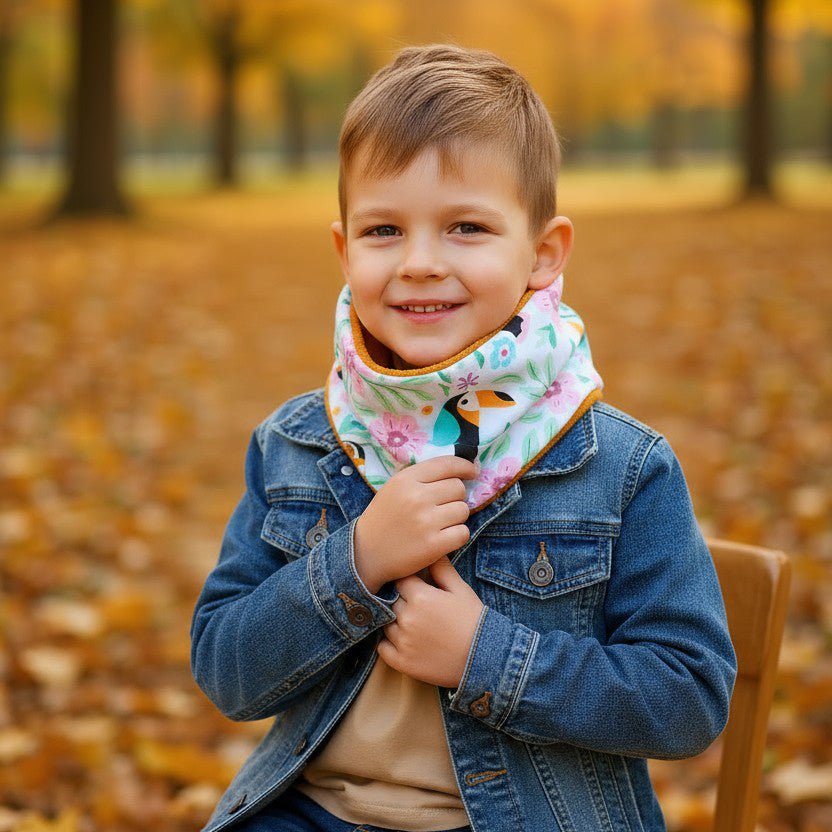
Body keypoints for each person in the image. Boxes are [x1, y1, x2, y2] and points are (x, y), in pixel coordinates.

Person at [189, 43, 737, 832]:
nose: (418, 263)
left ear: (542, 254)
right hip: (311, 814)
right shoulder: (298, 445)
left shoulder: (620, 467)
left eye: (466, 228)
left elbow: (686, 698)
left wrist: (485, 658)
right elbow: (226, 671)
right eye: (384, 229)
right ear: (344, 250)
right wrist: (357, 559)